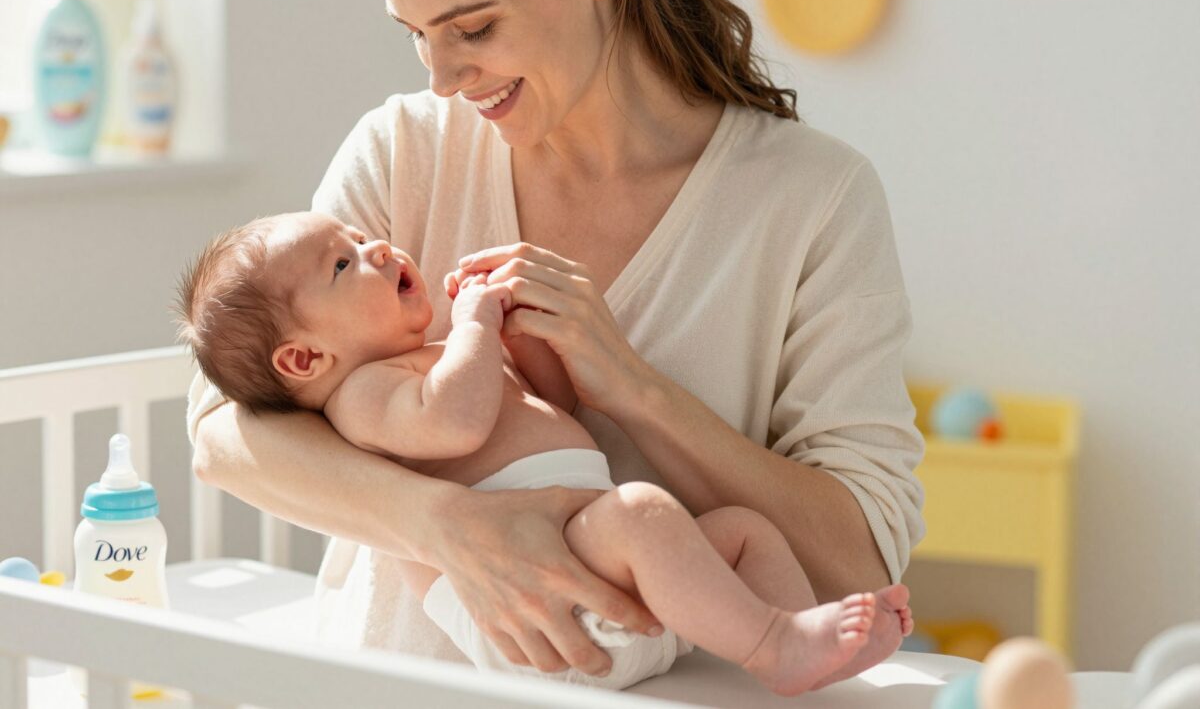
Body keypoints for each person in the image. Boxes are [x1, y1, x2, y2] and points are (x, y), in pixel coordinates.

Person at [187, 0, 925, 681]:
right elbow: (223, 435)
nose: (441, 77)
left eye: (474, 28)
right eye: (417, 35)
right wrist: (450, 529)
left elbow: (861, 563)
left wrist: (635, 388)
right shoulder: (403, 152)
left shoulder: (811, 197)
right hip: (398, 681)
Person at [177, 210, 914, 692]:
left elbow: (553, 410)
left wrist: (529, 334)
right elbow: (456, 427)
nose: (373, 247)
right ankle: (774, 643)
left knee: (742, 531)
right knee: (646, 511)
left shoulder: (437, 356)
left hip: (603, 572)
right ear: (305, 361)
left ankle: (803, 652)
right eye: (342, 266)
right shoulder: (365, 395)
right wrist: (475, 327)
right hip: (537, 612)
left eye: (357, 239)